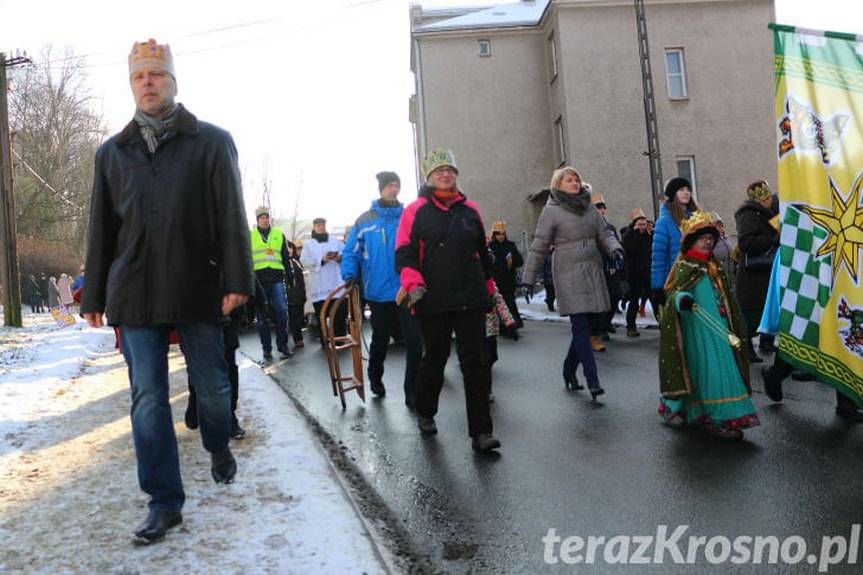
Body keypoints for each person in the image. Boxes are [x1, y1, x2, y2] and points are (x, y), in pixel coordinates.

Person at [81, 39, 252, 544]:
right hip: (134, 290)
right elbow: (100, 230)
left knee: (215, 392)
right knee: (148, 399)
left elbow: (230, 216)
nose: (148, 83)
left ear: (173, 82)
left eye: (156, 75)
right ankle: (164, 502)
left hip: (198, 283)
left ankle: (218, 444)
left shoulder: (212, 142)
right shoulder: (112, 153)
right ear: (132, 85)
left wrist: (238, 280)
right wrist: (93, 292)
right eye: (139, 77)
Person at [395, 147, 500, 452]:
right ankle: (426, 410)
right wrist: (413, 282)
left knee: (476, 364)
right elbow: (404, 252)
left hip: (471, 295)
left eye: (450, 170)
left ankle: (481, 432)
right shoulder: (415, 211)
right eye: (439, 171)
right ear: (429, 177)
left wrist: (490, 287)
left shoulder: (471, 211)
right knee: (435, 359)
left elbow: (483, 253)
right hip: (433, 297)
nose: (445, 174)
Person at [522, 166, 623, 399]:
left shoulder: (589, 208)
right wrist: (528, 279)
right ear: (558, 185)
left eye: (576, 179)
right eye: (569, 180)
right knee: (580, 327)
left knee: (591, 324)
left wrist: (615, 250)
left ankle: (568, 370)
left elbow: (605, 234)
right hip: (567, 271)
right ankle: (593, 380)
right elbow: (539, 245)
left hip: (593, 270)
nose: (575, 183)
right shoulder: (551, 211)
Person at [658, 211, 759, 440]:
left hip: (720, 327)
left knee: (718, 367)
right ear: (692, 241)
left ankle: (716, 415)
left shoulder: (714, 266)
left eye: (710, 237)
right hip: (696, 329)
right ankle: (714, 416)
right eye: (703, 237)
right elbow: (673, 292)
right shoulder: (686, 265)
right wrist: (681, 299)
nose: (708, 241)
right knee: (703, 370)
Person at [341, 171, 423, 404]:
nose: (393, 189)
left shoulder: (408, 216)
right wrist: (349, 275)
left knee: (415, 341)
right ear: (381, 189)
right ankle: (375, 376)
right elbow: (350, 252)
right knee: (380, 339)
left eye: (397, 185)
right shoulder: (365, 220)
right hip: (377, 291)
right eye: (389, 185)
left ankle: (412, 391)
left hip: (405, 289)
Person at [734, 181, 779, 363]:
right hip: (753, 274)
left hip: (769, 268)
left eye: (769, 197)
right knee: (752, 312)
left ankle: (766, 341)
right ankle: (745, 348)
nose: (769, 200)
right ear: (759, 200)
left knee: (770, 306)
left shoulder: (773, 211)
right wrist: (772, 239)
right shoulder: (748, 215)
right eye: (765, 198)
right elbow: (746, 243)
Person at [651, 177, 701, 314]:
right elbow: (658, 257)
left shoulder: (696, 219)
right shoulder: (664, 222)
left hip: (697, 277)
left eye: (688, 190)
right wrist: (658, 286)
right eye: (681, 190)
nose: (686, 193)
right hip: (675, 279)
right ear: (673, 194)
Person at [250, 206, 292, 361]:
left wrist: (290, 275)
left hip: (276, 278)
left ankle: (283, 345)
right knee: (262, 318)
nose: (264, 219)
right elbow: (246, 259)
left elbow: (285, 257)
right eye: (261, 217)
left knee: (282, 311)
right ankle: (266, 349)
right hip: (258, 280)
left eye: (266, 217)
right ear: (257, 220)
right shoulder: (250, 236)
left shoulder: (278, 234)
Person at [301, 217, 346, 343]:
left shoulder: (335, 241)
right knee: (322, 315)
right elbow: (304, 261)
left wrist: (338, 258)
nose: (321, 227)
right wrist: (321, 260)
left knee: (338, 314)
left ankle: (340, 338)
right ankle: (325, 340)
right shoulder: (308, 245)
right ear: (314, 227)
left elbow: (346, 254)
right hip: (319, 286)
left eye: (323, 224)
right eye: (318, 225)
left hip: (335, 284)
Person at [590, 192, 623, 346]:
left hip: (611, 269)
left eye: (603, 208)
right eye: (598, 207)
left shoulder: (610, 227)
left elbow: (615, 246)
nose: (601, 210)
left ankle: (607, 322)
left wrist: (616, 264)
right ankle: (600, 329)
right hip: (597, 269)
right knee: (601, 301)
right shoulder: (590, 228)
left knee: (616, 295)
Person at [489, 221, 524, 339]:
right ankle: (498, 329)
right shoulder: (490, 247)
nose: (501, 236)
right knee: (496, 307)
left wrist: (512, 261)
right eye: (498, 234)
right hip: (494, 283)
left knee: (509, 305)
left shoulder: (510, 245)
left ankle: (513, 327)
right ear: (494, 234)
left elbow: (520, 261)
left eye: (503, 234)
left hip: (508, 281)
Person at [622, 208, 652, 337]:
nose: (642, 227)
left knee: (654, 299)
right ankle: (631, 326)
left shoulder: (649, 234)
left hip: (648, 272)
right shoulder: (629, 235)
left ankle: (663, 324)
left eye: (644, 224)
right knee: (634, 301)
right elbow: (630, 248)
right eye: (639, 224)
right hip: (634, 273)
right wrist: (635, 234)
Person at [285, 241, 307, 348]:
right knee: (294, 318)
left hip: (300, 294)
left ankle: (297, 336)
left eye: (290, 248)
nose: (289, 250)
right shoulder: (283, 263)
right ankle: (297, 339)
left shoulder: (296, 261)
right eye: (286, 248)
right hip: (290, 295)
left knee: (298, 317)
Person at [541, 245, 556, 312]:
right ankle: (550, 307)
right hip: (547, 278)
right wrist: (541, 277)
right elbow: (541, 267)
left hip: (555, 277)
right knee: (550, 294)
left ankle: (548, 301)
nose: (551, 247)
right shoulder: (544, 255)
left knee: (554, 293)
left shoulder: (556, 253)